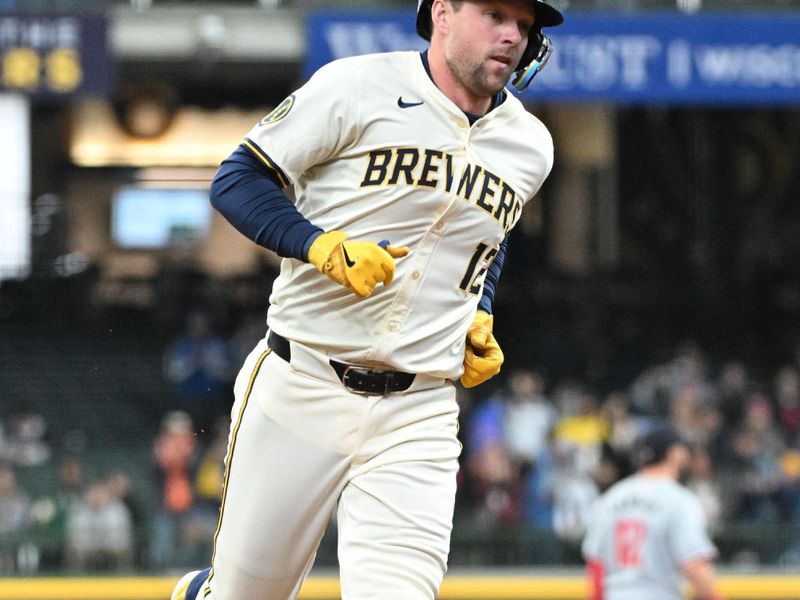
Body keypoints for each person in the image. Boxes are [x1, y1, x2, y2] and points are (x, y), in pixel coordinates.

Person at [172, 0, 563, 598]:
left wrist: (480, 308)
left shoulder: (530, 145)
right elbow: (237, 179)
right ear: (442, 13)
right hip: (305, 381)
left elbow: (489, 234)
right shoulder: (358, 86)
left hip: (421, 408)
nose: (513, 34)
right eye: (494, 14)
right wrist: (319, 245)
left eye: (524, 24)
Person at [581, 426, 724, 600]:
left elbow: (596, 565)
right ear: (674, 453)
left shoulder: (610, 498)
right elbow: (694, 566)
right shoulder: (680, 500)